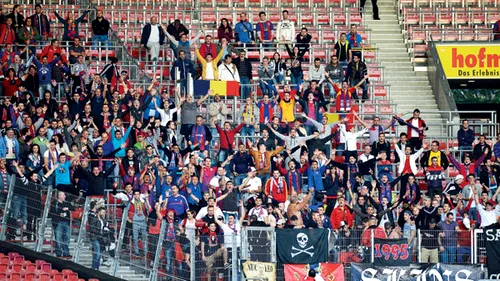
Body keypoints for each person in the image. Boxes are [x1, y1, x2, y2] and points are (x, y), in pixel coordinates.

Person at [49, 191, 75, 257]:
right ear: (59, 196)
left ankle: (66, 253)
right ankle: (59, 253)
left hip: (66, 222)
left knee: (67, 238)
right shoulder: (54, 203)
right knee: (58, 238)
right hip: (58, 223)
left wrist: (68, 208)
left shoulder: (67, 203)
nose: (65, 197)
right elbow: (52, 212)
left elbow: (73, 208)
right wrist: (59, 214)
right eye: (63, 195)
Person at [128, 190, 151, 257]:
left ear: (140, 195)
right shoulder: (131, 203)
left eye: (138, 194)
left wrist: (147, 217)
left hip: (143, 221)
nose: (137, 195)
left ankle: (145, 252)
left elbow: (147, 210)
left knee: (144, 237)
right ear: (134, 195)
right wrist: (128, 218)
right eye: (135, 194)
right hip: (135, 222)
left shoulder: (143, 202)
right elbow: (127, 210)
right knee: (135, 238)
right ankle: (136, 252)